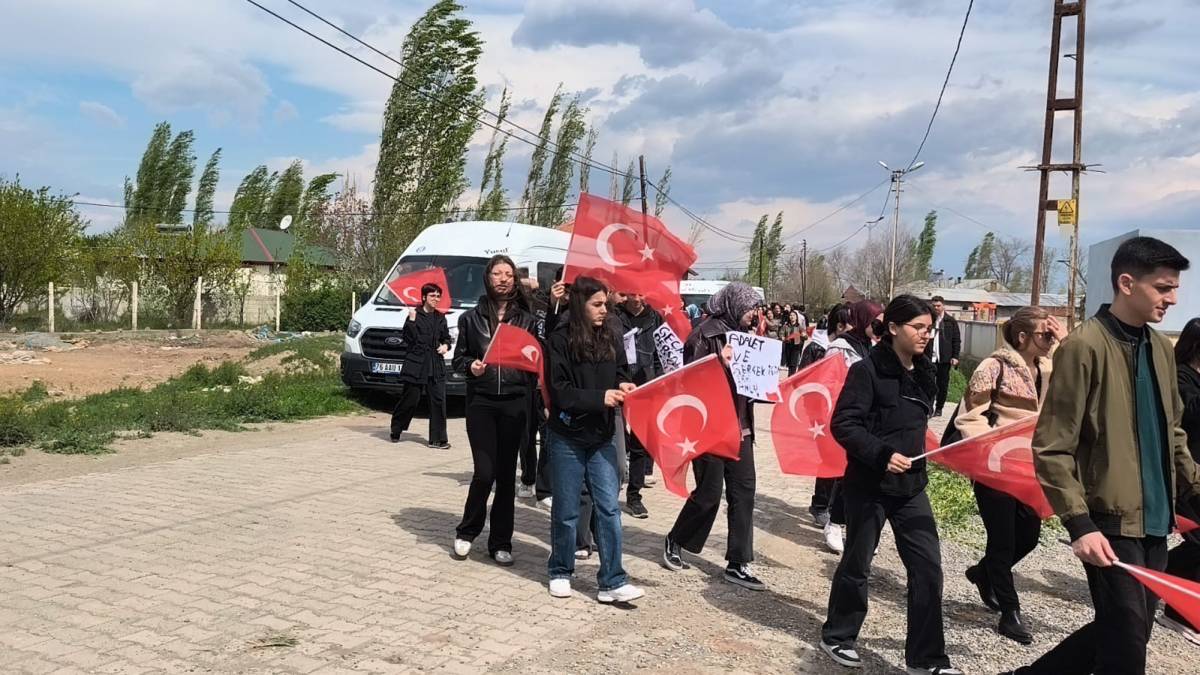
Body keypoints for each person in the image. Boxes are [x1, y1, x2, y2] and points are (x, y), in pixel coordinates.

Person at [1012, 236, 1200, 674]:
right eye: (1163, 288)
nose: (1173, 299)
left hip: (1156, 523)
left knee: (1126, 630)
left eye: (1175, 288)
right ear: (1127, 283)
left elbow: (1173, 434)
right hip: (1109, 522)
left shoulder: (1160, 349)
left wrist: (1195, 490)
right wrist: (1079, 524)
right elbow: (1052, 445)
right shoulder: (1084, 346)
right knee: (1126, 650)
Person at [820, 295, 960, 675]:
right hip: (869, 484)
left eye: (930, 329)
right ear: (894, 328)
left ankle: (926, 659)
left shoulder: (924, 372)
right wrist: (882, 454)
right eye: (918, 328)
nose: (926, 335)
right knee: (857, 562)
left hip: (912, 487)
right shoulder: (866, 371)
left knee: (927, 568)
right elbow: (844, 425)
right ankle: (838, 635)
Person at [951, 306, 1066, 644]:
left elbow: (1079, 373)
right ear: (1022, 336)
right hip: (995, 467)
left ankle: (983, 572)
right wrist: (988, 449)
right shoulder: (993, 366)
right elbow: (969, 415)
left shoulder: (1048, 368)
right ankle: (1009, 612)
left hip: (1029, 468)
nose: (1050, 340)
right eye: (1045, 334)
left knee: (1028, 537)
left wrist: (1062, 341)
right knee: (1001, 540)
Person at [544, 275, 644, 603]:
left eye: (605, 304)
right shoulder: (559, 338)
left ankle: (612, 580)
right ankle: (560, 570)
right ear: (580, 304)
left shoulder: (611, 334)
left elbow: (620, 371)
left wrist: (623, 384)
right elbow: (560, 392)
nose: (604, 310)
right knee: (566, 509)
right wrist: (600, 398)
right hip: (567, 436)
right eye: (597, 304)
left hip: (602, 435)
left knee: (609, 508)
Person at [662, 282, 766, 591]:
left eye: (756, 308)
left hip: (741, 428)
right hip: (710, 428)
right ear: (734, 305)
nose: (754, 314)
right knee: (708, 493)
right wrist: (719, 364)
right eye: (749, 308)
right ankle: (676, 539)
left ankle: (738, 562)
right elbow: (690, 381)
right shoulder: (703, 335)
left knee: (744, 493)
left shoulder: (747, 337)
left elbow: (752, 380)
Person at [451, 255, 538, 567]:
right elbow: (458, 359)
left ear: (515, 280)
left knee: (505, 475)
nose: (503, 279)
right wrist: (470, 367)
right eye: (497, 273)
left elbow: (535, 360)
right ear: (487, 278)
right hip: (482, 402)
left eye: (508, 274)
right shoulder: (470, 318)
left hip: (514, 402)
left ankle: (501, 541)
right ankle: (467, 530)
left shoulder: (527, 320)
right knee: (484, 472)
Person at [813, 300, 880, 554]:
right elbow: (827, 384)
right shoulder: (840, 347)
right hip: (846, 418)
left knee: (862, 475)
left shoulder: (873, 347)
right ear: (863, 320)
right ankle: (834, 522)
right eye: (875, 322)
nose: (879, 327)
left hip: (869, 420)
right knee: (845, 472)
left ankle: (858, 529)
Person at [1159, 316, 1200, 645]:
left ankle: (1162, 575)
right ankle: (1176, 612)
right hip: (1185, 474)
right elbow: (1189, 413)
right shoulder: (1181, 376)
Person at [616, 292, 663, 519]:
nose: (636, 299)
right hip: (618, 383)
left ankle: (634, 496)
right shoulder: (615, 316)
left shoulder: (655, 318)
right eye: (632, 294)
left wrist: (660, 381)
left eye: (641, 294)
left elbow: (662, 354)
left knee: (639, 444)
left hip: (646, 386)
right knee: (614, 442)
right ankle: (609, 491)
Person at [389, 283, 452, 447]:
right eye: (432, 296)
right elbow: (408, 339)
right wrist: (411, 320)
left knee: (438, 401)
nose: (436, 299)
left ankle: (438, 439)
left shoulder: (440, 317)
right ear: (424, 297)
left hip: (435, 365)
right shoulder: (414, 314)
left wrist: (446, 346)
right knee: (410, 399)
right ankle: (396, 428)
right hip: (416, 365)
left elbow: (446, 338)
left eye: (438, 296)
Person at [924, 296, 961, 417]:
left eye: (938, 306)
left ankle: (939, 408)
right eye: (934, 306)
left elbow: (956, 340)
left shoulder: (950, 321)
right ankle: (929, 408)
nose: (936, 308)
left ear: (943, 306)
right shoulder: (928, 320)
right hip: (929, 358)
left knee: (942, 385)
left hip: (944, 359)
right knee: (929, 383)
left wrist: (955, 356)